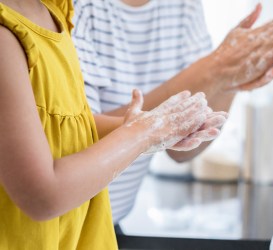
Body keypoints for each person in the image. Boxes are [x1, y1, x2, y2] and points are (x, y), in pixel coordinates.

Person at [72, 0, 273, 227]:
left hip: (111, 222)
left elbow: (184, 151)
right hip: (67, 225)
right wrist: (215, 67)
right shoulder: (76, 7)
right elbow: (75, 137)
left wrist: (231, 78)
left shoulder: (184, 6)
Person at [0, 0, 226, 249]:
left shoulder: (56, 10)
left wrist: (149, 127)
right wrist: (142, 134)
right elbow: (42, 197)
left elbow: (61, 124)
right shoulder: (5, 37)